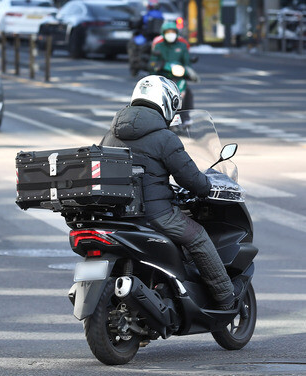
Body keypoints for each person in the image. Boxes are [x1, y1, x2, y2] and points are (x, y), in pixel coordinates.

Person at [100, 75, 241, 310]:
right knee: (198, 237)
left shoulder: (111, 134)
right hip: (156, 215)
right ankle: (225, 297)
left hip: (116, 214)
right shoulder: (165, 137)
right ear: (165, 103)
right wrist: (207, 187)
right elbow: (190, 179)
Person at [149, 21, 198, 112]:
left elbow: (187, 64)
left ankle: (186, 117)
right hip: (162, 77)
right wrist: (157, 66)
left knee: (188, 93)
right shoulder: (158, 46)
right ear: (163, 33)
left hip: (178, 77)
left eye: (172, 32)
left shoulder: (182, 46)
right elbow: (152, 63)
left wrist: (188, 72)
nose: (170, 34)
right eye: (168, 32)